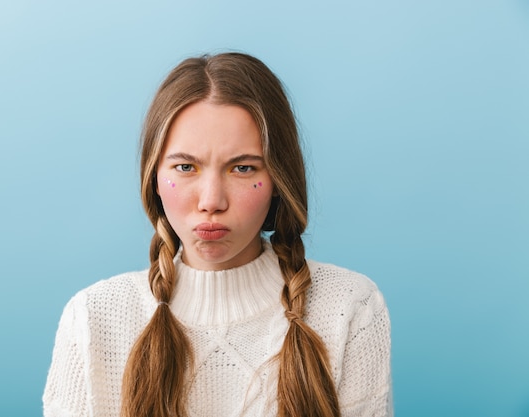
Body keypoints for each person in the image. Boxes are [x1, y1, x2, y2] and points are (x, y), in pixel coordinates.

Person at [43, 52, 392, 417]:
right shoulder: (94, 318)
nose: (211, 201)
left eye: (242, 168)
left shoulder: (349, 307)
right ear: (155, 179)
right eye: (185, 167)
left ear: (278, 180)